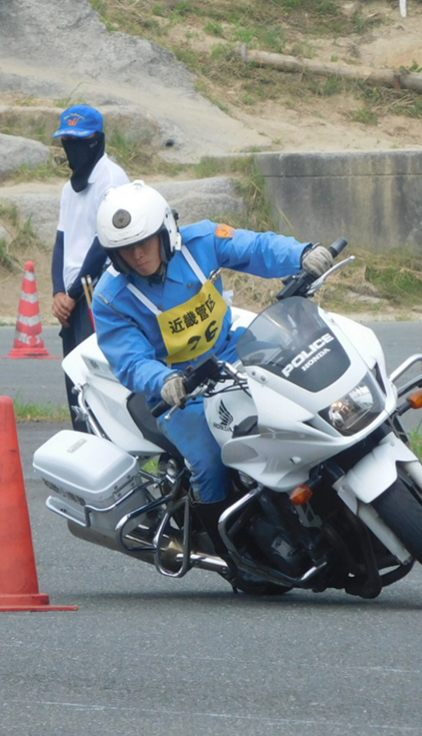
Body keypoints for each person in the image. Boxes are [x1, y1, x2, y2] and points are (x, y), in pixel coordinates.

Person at [91, 181, 335, 580]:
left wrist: (302, 254)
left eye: (145, 242)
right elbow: (131, 360)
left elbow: (255, 248)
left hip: (234, 349)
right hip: (180, 388)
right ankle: (234, 559)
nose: (137, 255)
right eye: (125, 249)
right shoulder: (110, 297)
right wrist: (164, 380)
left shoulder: (201, 240)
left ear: (165, 232)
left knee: (307, 394)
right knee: (208, 460)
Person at [51, 105, 129, 431]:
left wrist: (71, 293)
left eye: (80, 141)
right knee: (75, 378)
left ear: (97, 141)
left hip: (97, 295)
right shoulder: (70, 189)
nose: (73, 149)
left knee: (98, 380)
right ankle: (84, 446)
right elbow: (61, 241)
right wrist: (57, 292)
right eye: (67, 141)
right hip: (71, 301)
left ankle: (110, 449)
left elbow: (106, 242)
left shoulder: (111, 179)